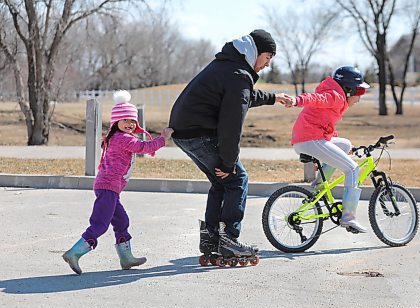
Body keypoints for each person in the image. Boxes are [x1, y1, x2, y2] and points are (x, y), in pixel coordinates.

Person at [169, 29, 292, 259]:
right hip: (199, 132)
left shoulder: (230, 66)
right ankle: (229, 240)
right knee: (236, 178)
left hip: (184, 131)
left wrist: (274, 98)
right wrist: (228, 162)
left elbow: (244, 96)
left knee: (221, 182)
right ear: (256, 52)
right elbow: (231, 125)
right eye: (267, 58)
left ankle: (211, 239)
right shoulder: (238, 74)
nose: (267, 65)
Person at [62, 90, 174, 274]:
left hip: (110, 188)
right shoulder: (122, 138)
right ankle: (74, 253)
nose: (130, 124)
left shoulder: (117, 137)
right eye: (125, 121)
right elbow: (144, 147)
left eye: (133, 121)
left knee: (122, 221)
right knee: (100, 224)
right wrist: (163, 138)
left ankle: (126, 258)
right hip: (108, 187)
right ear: (117, 122)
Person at [288, 66, 370, 233]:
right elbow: (315, 98)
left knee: (345, 144)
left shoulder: (337, 96)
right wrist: (297, 100)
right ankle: (348, 218)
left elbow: (326, 126)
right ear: (349, 89)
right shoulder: (335, 97)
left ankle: (319, 188)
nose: (360, 97)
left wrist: (344, 149)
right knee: (353, 169)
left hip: (309, 137)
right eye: (360, 91)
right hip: (310, 139)